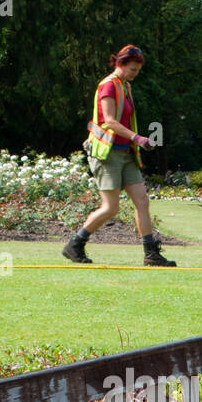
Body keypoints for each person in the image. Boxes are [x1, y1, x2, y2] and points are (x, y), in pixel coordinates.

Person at [63, 44, 176, 268]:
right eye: (133, 69)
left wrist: (134, 142)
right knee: (111, 208)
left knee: (142, 201)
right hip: (107, 155)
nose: (135, 74)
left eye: (137, 70)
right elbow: (109, 121)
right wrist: (138, 138)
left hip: (126, 154)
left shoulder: (125, 86)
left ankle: (151, 254)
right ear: (120, 64)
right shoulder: (108, 86)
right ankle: (75, 244)